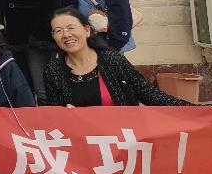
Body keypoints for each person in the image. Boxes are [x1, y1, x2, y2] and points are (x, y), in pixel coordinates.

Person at [43, 8, 191, 107]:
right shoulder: (53, 70)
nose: (66, 35)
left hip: (122, 139)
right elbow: (54, 115)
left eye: (71, 28)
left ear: (87, 30)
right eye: (58, 31)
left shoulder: (111, 59)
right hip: (81, 141)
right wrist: (65, 114)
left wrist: (194, 110)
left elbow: (148, 93)